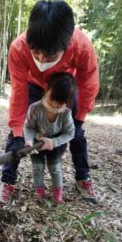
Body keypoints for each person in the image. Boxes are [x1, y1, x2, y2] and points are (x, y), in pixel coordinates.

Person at [0, 0, 100, 204]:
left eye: (51, 55)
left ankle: (83, 178)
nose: (42, 60)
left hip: (63, 88)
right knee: (17, 134)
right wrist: (19, 130)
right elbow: (18, 91)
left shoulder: (81, 46)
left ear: (67, 44)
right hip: (34, 86)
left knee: (77, 134)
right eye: (36, 53)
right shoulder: (18, 48)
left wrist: (79, 116)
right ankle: (7, 181)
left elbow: (88, 82)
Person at [24, 72, 75, 204]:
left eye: (60, 103)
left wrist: (53, 142)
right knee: (37, 168)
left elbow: (70, 133)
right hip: (37, 143)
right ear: (46, 90)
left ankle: (58, 194)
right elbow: (29, 127)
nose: (54, 104)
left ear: (67, 102)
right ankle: (39, 193)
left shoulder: (66, 113)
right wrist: (29, 141)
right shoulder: (35, 108)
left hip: (55, 144)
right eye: (52, 99)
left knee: (55, 169)